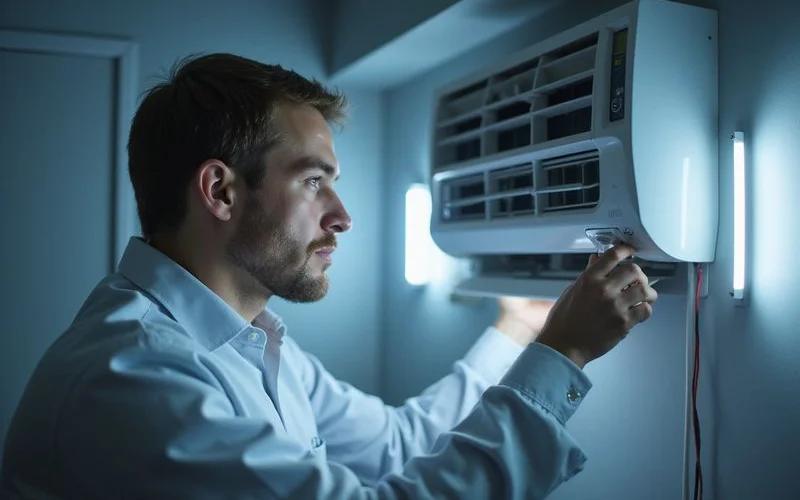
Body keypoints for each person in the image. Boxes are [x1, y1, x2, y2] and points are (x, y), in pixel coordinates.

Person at [0, 53, 658, 499]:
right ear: (221, 191)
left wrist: (518, 331)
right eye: (313, 181)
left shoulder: (251, 343)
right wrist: (563, 355)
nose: (342, 216)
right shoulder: (135, 378)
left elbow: (398, 446)